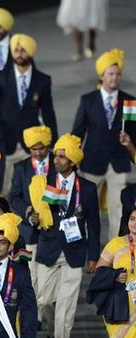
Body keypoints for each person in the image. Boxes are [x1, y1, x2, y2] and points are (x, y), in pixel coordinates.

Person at [33, 134, 100, 338]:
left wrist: (94, 256)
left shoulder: (88, 188)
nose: (56, 160)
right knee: (43, 301)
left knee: (67, 304)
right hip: (48, 248)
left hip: (74, 251)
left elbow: (94, 224)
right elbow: (35, 210)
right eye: (56, 156)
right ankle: (53, 332)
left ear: (72, 161)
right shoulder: (43, 181)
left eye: (62, 157)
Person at [72, 48, 135, 241]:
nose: (115, 78)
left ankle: (112, 249)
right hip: (92, 162)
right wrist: (73, 157)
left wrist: (129, 143)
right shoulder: (88, 100)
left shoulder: (130, 101)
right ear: (101, 76)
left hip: (119, 162)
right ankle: (90, 247)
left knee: (117, 209)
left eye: (117, 74)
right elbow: (78, 132)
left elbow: (135, 133)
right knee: (89, 208)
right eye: (111, 74)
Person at [0, 34, 58, 197]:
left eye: (23, 50)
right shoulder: (1, 77)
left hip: (32, 145)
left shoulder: (42, 80)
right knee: (4, 190)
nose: (19, 54)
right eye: (16, 50)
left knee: (30, 190)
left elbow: (48, 112)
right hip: (6, 142)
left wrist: (53, 141)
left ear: (31, 53)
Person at [88, 208, 136, 338]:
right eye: (133, 218)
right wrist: (114, 275)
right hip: (119, 306)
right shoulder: (115, 244)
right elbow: (99, 271)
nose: (135, 223)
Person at [10, 125, 55, 303]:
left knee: (49, 281)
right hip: (29, 233)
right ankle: (34, 316)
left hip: (53, 233)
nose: (37, 153)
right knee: (31, 275)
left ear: (48, 145)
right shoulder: (20, 168)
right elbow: (14, 197)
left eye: (41, 148)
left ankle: (50, 322)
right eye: (33, 149)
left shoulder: (59, 165)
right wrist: (28, 212)